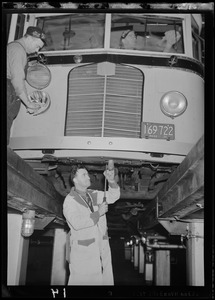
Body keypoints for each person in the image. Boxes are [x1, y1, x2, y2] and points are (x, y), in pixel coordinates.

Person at [63, 162, 120, 285]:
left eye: (87, 174)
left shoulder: (93, 194)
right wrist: (98, 213)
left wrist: (111, 181)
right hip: (84, 253)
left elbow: (113, 196)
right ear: (75, 179)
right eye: (84, 175)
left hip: (101, 246)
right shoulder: (69, 201)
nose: (88, 177)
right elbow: (76, 223)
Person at [7, 26, 47, 145]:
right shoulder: (17, 49)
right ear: (30, 39)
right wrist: (28, 103)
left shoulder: (13, 48)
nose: (36, 51)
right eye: (37, 46)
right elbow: (18, 79)